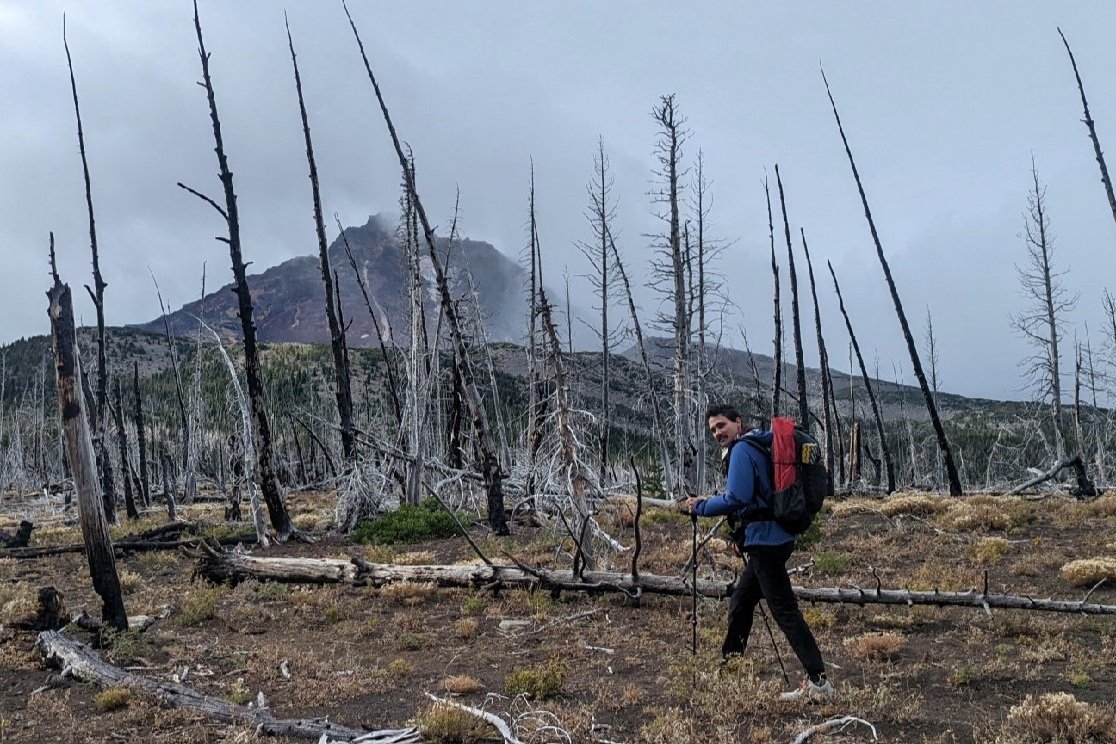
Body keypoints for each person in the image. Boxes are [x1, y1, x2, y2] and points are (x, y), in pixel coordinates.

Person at [680, 403, 834, 702]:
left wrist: (700, 506)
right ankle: (730, 669)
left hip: (767, 542)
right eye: (713, 429)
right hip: (771, 536)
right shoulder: (757, 446)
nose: (717, 433)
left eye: (722, 425)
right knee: (741, 602)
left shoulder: (741, 450)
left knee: (785, 611)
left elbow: (737, 497)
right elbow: (756, 497)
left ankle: (819, 683)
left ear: (738, 423)